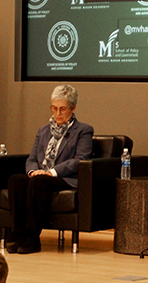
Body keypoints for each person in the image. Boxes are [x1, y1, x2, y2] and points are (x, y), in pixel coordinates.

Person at [6, 85, 93, 254]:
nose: (57, 113)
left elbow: (80, 160)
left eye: (62, 109)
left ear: (73, 108)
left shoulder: (83, 130)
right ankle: (19, 235)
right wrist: (33, 171)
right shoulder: (43, 130)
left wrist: (51, 172)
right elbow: (32, 158)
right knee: (16, 180)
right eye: (54, 108)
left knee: (39, 181)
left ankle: (32, 238)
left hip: (64, 178)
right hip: (41, 175)